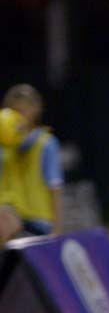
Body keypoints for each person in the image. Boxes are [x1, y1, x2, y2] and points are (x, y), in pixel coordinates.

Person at [0, 84, 63, 246]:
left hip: (38, 224)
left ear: (35, 110)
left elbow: (55, 188)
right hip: (12, 218)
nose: (18, 117)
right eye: (13, 112)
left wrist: (57, 230)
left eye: (22, 111)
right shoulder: (4, 148)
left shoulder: (46, 144)